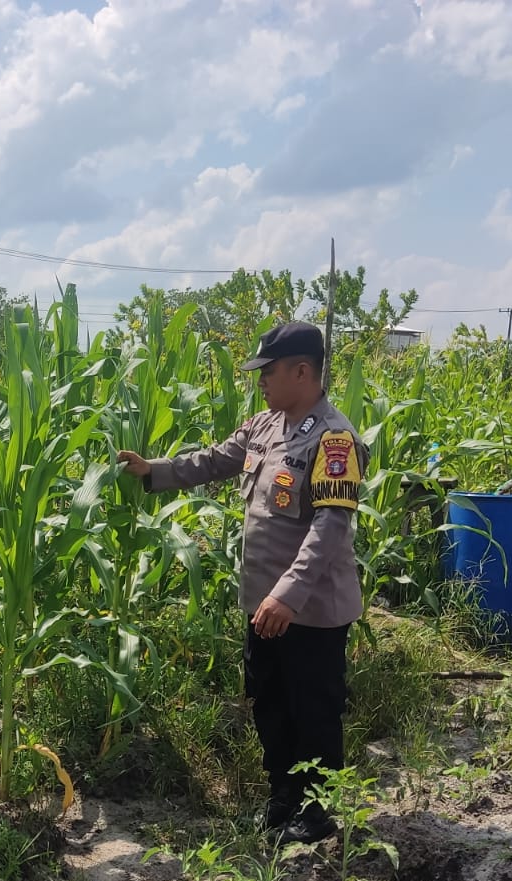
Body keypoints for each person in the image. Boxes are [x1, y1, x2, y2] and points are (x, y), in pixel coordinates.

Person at [117, 320, 367, 845]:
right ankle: (283, 799)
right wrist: (152, 471)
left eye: (268, 372)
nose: (261, 382)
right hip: (262, 605)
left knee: (313, 710)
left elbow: (329, 529)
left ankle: (317, 813)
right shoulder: (264, 427)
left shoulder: (334, 440)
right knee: (271, 703)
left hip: (310, 610)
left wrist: (287, 595)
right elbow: (211, 462)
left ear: (302, 371)